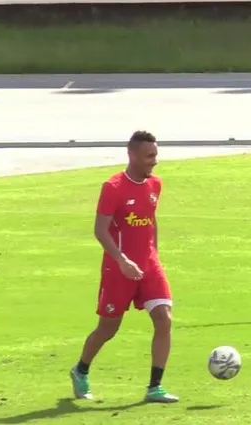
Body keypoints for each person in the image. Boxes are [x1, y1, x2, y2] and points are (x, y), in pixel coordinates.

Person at [69, 130, 178, 403]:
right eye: (149, 156)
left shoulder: (155, 185)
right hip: (118, 269)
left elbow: (151, 220)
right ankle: (81, 369)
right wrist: (122, 260)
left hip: (149, 265)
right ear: (132, 155)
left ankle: (155, 387)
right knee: (108, 328)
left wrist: (154, 254)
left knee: (164, 319)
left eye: (155, 155)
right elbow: (100, 229)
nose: (154, 161)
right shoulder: (113, 187)